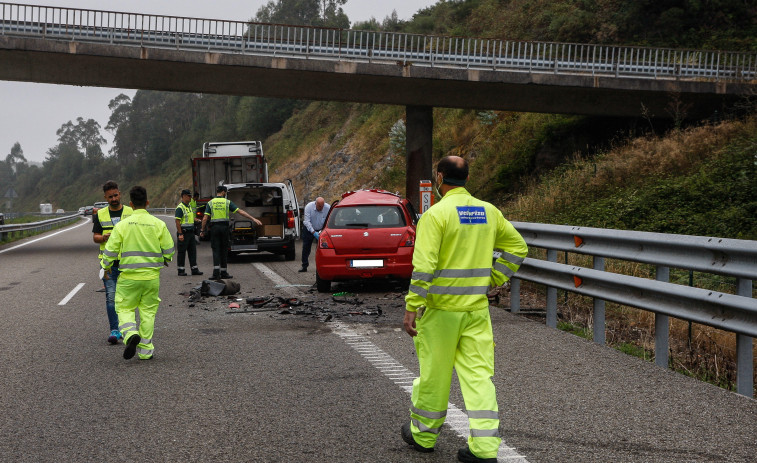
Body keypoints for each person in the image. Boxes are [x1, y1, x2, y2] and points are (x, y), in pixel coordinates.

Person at [401, 156, 528, 463]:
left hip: (441, 312)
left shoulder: (436, 215)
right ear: (467, 178)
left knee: (435, 375)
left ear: (440, 177)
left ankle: (424, 435)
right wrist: (494, 277)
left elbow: (424, 266)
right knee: (479, 378)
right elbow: (518, 248)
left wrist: (412, 306)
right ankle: (484, 449)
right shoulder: (489, 211)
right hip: (476, 311)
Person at [101, 186, 174, 361]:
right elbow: (169, 250)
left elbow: (110, 251)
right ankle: (146, 351)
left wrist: (105, 265)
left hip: (129, 278)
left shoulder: (122, 225)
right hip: (151, 277)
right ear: (147, 203)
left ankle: (130, 334)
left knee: (124, 308)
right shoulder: (159, 224)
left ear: (131, 204)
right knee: (148, 312)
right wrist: (165, 258)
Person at [92, 180, 133, 345]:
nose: (114, 199)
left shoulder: (131, 212)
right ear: (105, 198)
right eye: (110, 197)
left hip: (128, 262)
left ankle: (128, 328)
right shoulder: (100, 215)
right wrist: (103, 237)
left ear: (120, 194)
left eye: (116, 195)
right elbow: (95, 237)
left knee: (128, 298)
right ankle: (115, 330)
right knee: (111, 297)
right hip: (108, 264)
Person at [200, 185, 262, 280]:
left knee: (216, 249)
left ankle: (216, 273)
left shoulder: (211, 203)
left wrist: (202, 230)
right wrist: (253, 218)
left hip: (215, 228)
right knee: (224, 250)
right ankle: (224, 272)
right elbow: (240, 211)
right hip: (224, 228)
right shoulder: (227, 202)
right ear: (224, 192)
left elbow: (205, 218)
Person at [174, 189, 203, 276]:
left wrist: (196, 219)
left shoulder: (189, 206)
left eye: (190, 196)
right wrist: (180, 234)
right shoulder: (180, 208)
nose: (190, 197)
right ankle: (181, 270)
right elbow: (177, 222)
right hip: (184, 232)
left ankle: (194, 269)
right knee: (182, 252)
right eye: (188, 196)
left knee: (192, 251)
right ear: (183, 196)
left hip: (191, 233)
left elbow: (190, 217)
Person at [299, 197, 330, 272]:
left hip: (321, 230)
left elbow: (328, 220)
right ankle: (304, 265)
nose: (321, 208)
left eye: (322, 206)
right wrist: (313, 232)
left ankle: (325, 266)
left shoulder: (328, 208)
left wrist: (323, 231)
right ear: (316, 203)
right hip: (309, 229)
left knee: (324, 247)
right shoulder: (309, 207)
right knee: (306, 247)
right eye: (319, 206)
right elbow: (307, 221)